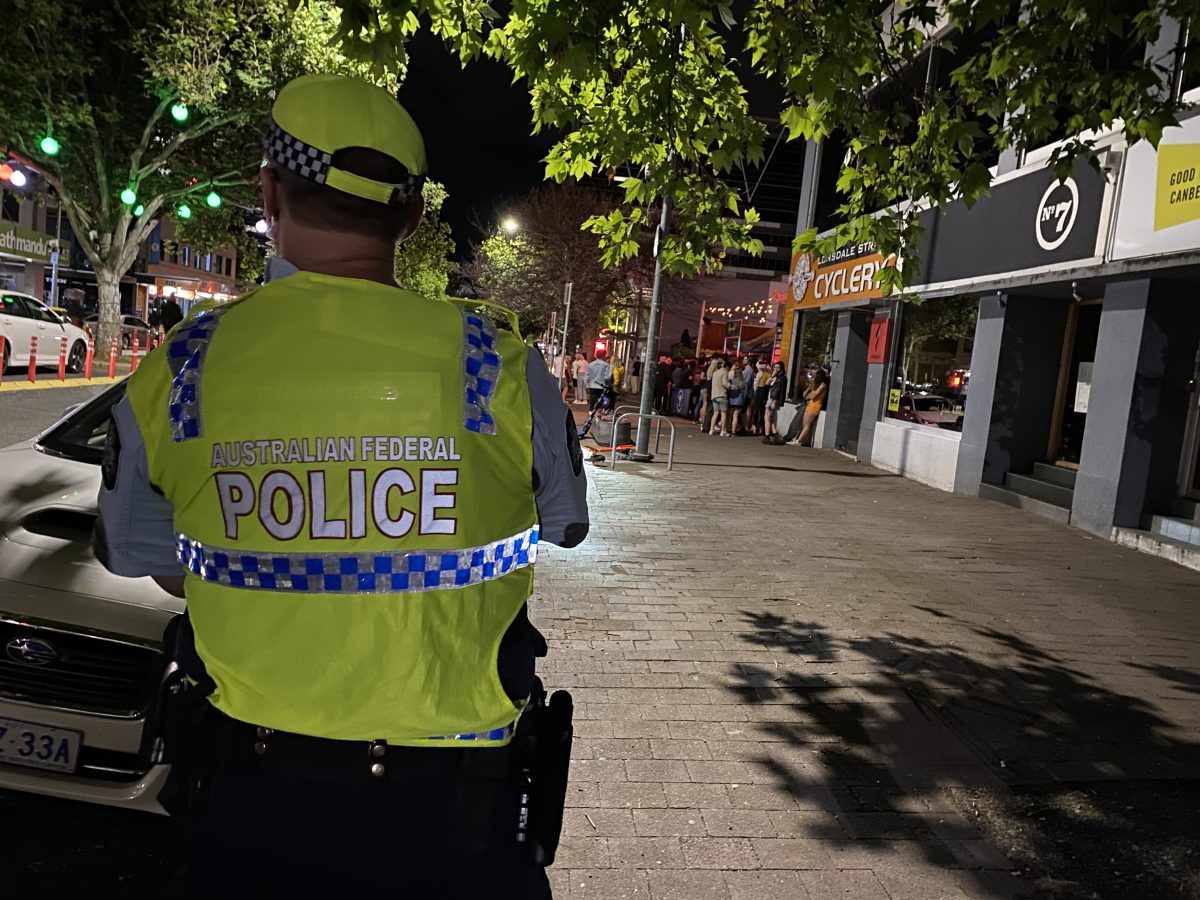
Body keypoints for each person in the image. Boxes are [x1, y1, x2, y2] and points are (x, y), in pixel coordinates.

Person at [93, 73, 589, 900]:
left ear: (268, 189)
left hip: (252, 807)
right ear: (411, 215)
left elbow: (151, 557)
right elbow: (564, 526)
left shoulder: (181, 368)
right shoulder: (496, 364)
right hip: (455, 820)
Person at [793, 368, 829, 446]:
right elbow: (806, 395)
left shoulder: (823, 385)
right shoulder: (816, 385)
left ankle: (799, 441)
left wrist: (811, 394)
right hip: (810, 404)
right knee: (804, 423)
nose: (814, 377)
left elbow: (814, 396)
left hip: (816, 405)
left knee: (807, 424)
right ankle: (802, 440)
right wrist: (810, 389)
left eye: (815, 375)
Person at [763, 361, 787, 444]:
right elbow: (766, 383)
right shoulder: (776, 377)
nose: (775, 369)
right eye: (774, 367)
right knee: (770, 418)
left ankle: (767, 436)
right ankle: (774, 434)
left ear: (781, 369)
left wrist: (774, 401)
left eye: (778, 367)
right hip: (771, 397)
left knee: (767, 417)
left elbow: (778, 390)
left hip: (773, 399)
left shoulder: (781, 378)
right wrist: (772, 375)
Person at [709, 357, 732, 436]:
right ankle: (723, 431)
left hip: (714, 395)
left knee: (715, 413)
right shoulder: (725, 372)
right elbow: (725, 383)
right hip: (722, 395)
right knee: (723, 413)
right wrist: (732, 386)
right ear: (727, 367)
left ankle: (711, 429)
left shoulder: (715, 372)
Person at [725, 358, 747, 435]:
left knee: (730, 415)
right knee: (736, 415)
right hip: (739, 400)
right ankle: (734, 431)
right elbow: (745, 392)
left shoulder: (731, 379)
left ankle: (727, 429)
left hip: (731, 398)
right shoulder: (743, 382)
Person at [751, 359, 770, 435]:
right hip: (765, 392)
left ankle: (755, 427)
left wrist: (755, 391)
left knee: (756, 410)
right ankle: (761, 428)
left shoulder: (760, 374)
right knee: (762, 410)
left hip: (759, 391)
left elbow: (756, 385)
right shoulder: (768, 373)